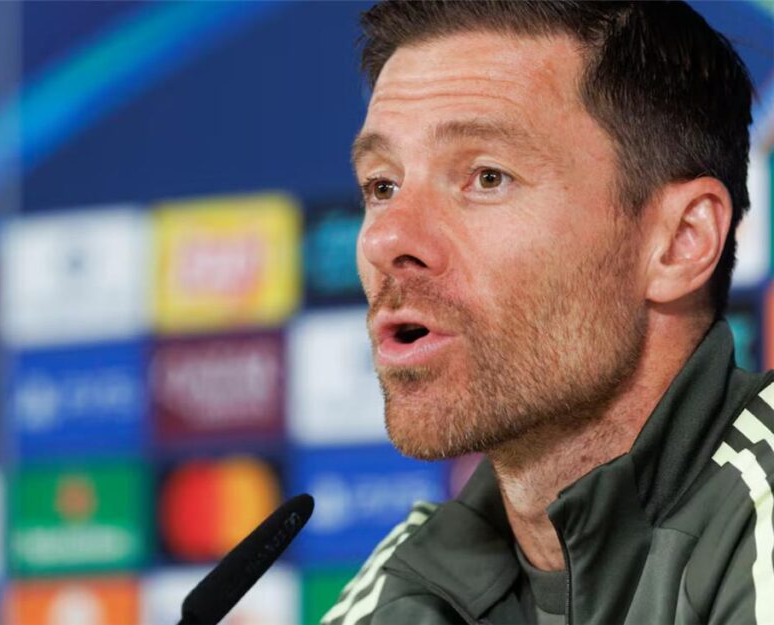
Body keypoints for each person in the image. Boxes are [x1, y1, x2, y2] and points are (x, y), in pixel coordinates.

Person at [322, 1, 773, 624]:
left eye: (487, 177)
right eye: (382, 186)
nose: (384, 239)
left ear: (680, 241)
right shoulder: (401, 587)